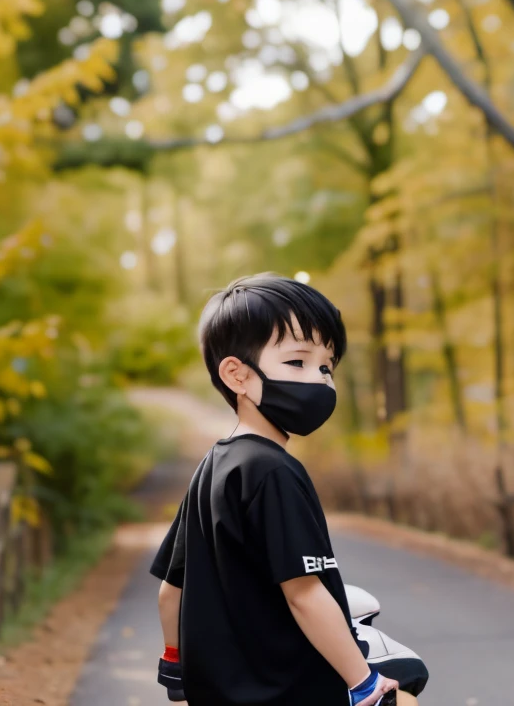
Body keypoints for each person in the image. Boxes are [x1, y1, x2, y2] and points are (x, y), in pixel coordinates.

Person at [149, 273, 400, 706]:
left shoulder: (213, 467)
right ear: (238, 375)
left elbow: (171, 591)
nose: (319, 380)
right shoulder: (274, 471)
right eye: (297, 362)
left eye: (327, 366)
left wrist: (177, 675)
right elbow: (304, 593)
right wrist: (364, 683)